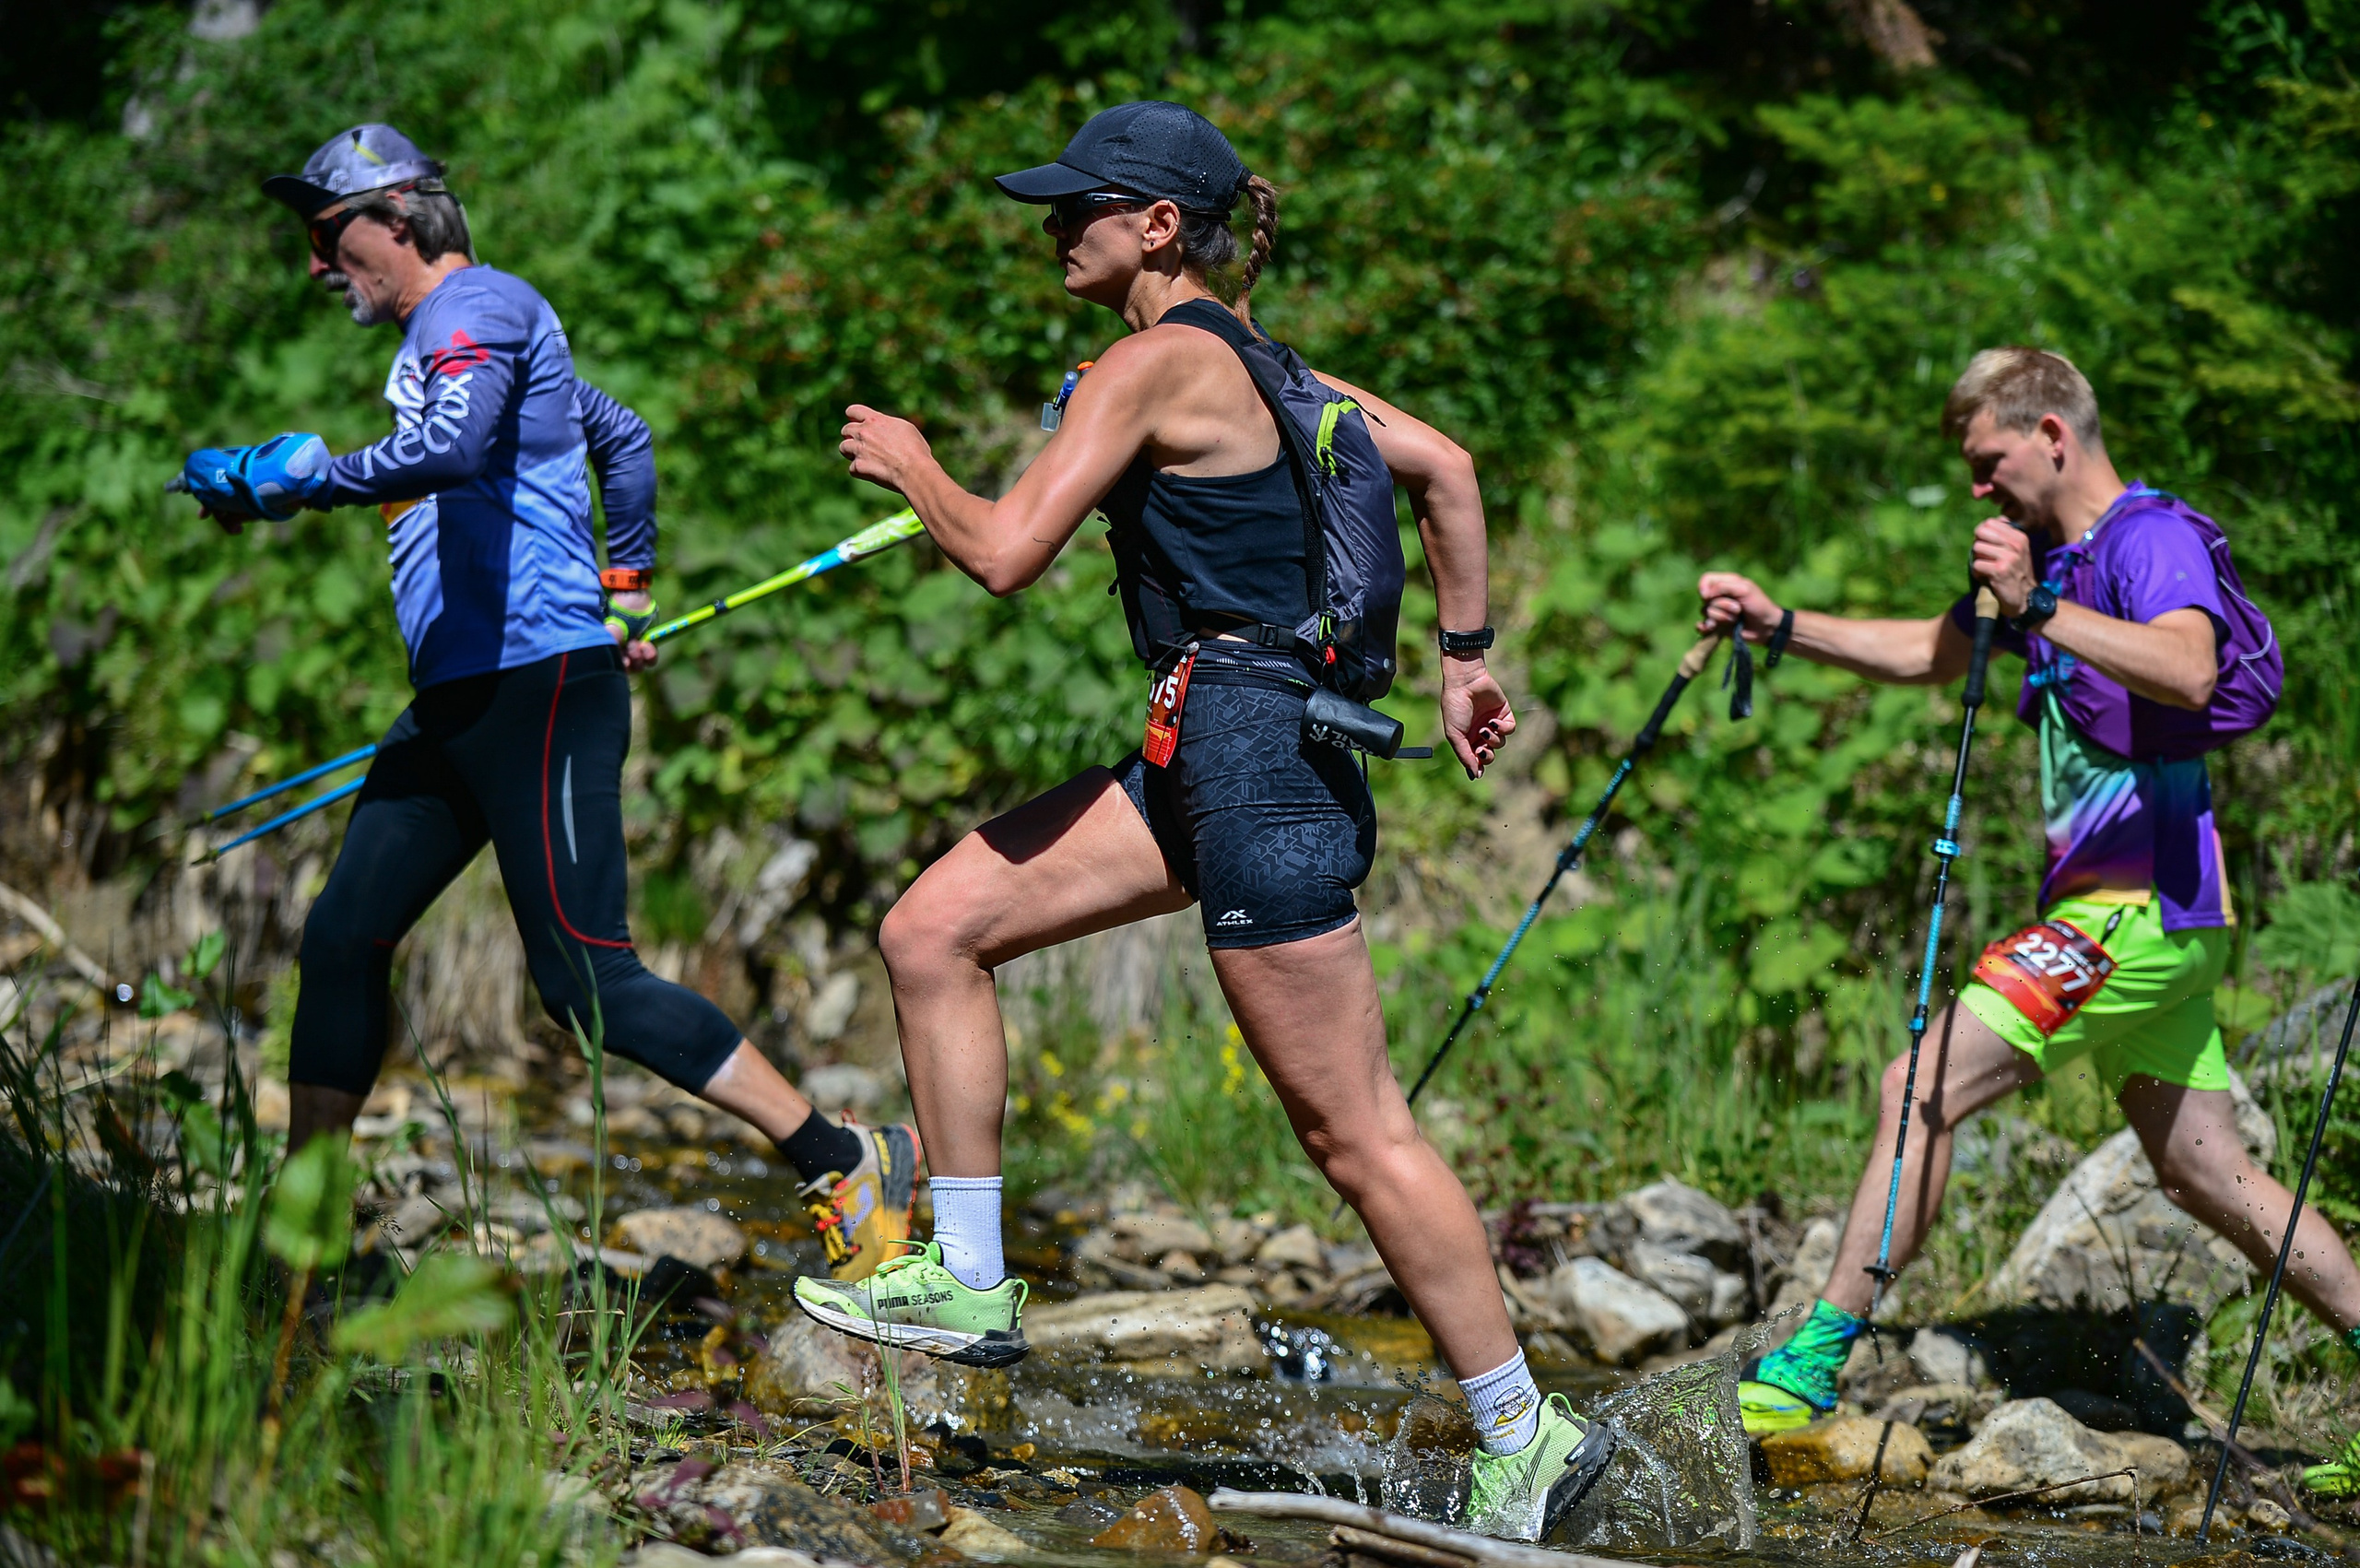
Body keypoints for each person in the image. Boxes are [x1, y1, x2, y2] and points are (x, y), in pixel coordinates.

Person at [787, 100, 1614, 1541]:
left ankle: (1519, 1430)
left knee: (1353, 1131)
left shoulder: (1155, 359)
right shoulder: (1278, 369)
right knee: (934, 927)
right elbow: (1449, 469)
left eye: (1077, 208)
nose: (1055, 228)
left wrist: (915, 461)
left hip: (1250, 758)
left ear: (1157, 227)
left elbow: (1001, 552)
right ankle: (969, 1275)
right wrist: (1465, 654)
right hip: (1212, 744)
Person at [173, 124, 917, 1282]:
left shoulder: (473, 311)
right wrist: (626, 589)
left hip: (535, 691)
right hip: (464, 699)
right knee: (342, 937)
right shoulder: (465, 329)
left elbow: (459, 449)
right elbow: (618, 435)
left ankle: (844, 1155)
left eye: (329, 234)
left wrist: (303, 480)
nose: (319, 265)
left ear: (402, 217)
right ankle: (302, 1228)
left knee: (585, 980)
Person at [1697, 348, 2360, 1482]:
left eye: (1987, 460)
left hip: (2138, 907)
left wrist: (2041, 604)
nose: (1976, 488)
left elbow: (2189, 669)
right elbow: (1929, 650)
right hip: (2148, 921)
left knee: (1919, 1087)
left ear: (2051, 432)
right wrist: (1780, 622)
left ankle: (1807, 1365)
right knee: (2205, 1173)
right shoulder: (2047, 563)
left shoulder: (2145, 542)